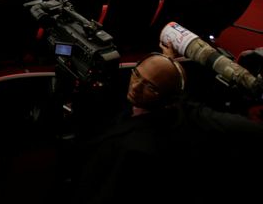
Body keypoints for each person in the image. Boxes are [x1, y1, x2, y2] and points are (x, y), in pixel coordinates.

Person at [75, 52, 263, 204]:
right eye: (137, 74)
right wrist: (168, 61)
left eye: (150, 86)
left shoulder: (136, 149)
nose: (136, 87)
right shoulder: (176, 105)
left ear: (167, 97)